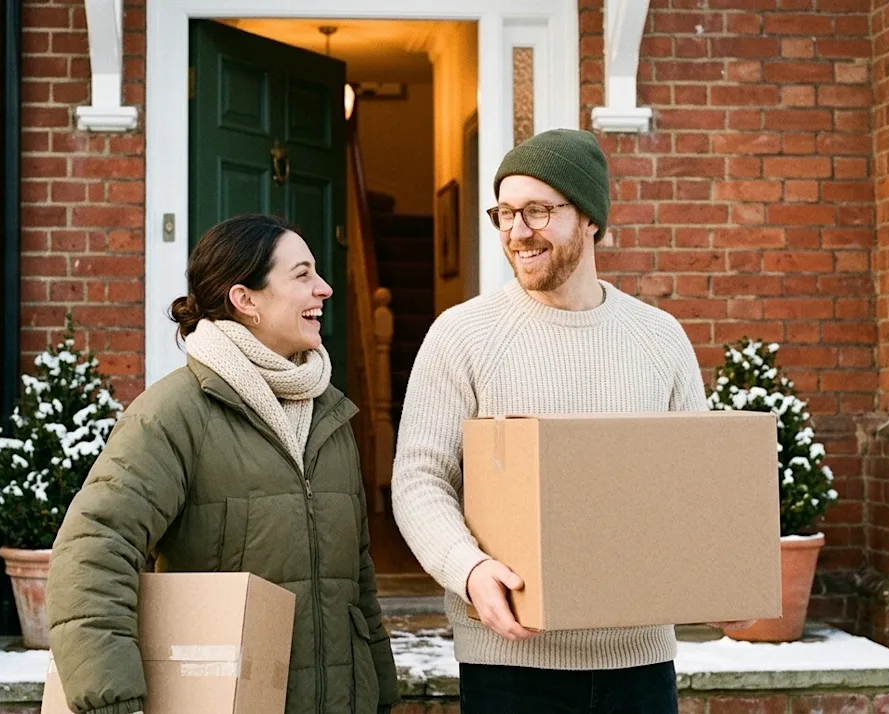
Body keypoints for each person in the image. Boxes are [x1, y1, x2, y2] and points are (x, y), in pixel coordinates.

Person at [391, 128, 751, 714]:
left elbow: (695, 486)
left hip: (638, 663)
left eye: (537, 211)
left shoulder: (659, 338)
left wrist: (723, 579)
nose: (516, 232)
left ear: (588, 218)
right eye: (505, 213)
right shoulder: (462, 335)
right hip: (509, 661)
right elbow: (419, 478)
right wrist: (469, 569)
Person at [46, 213, 399, 714]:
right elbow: (93, 552)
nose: (324, 288)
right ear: (245, 299)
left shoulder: (331, 415)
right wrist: (113, 701)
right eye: (302, 275)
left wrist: (382, 695)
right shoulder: (174, 414)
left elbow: (357, 580)